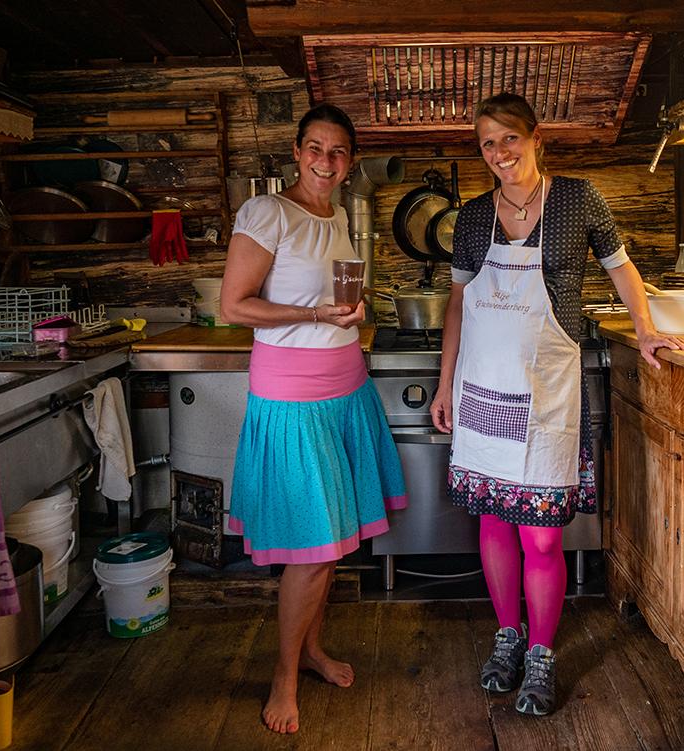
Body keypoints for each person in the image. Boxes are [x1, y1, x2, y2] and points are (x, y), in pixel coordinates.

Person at [429, 92, 684, 716]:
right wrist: (444, 384)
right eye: (488, 143)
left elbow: (622, 269)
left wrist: (646, 328)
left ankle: (542, 655)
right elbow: (459, 304)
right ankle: (508, 636)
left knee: (542, 538)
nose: (499, 153)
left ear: (536, 137)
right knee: (493, 521)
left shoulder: (576, 199)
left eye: (509, 139)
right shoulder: (471, 218)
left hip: (546, 390)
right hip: (482, 390)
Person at [220, 104, 407, 734]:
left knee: (333, 544)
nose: (325, 162)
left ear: (348, 162)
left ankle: (313, 652)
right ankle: (283, 673)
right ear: (297, 152)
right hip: (294, 399)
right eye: (315, 149)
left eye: (338, 153)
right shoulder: (268, 212)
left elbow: (329, 302)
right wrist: (314, 317)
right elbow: (234, 307)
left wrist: (345, 317)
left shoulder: (335, 220)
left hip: (345, 390)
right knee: (312, 550)